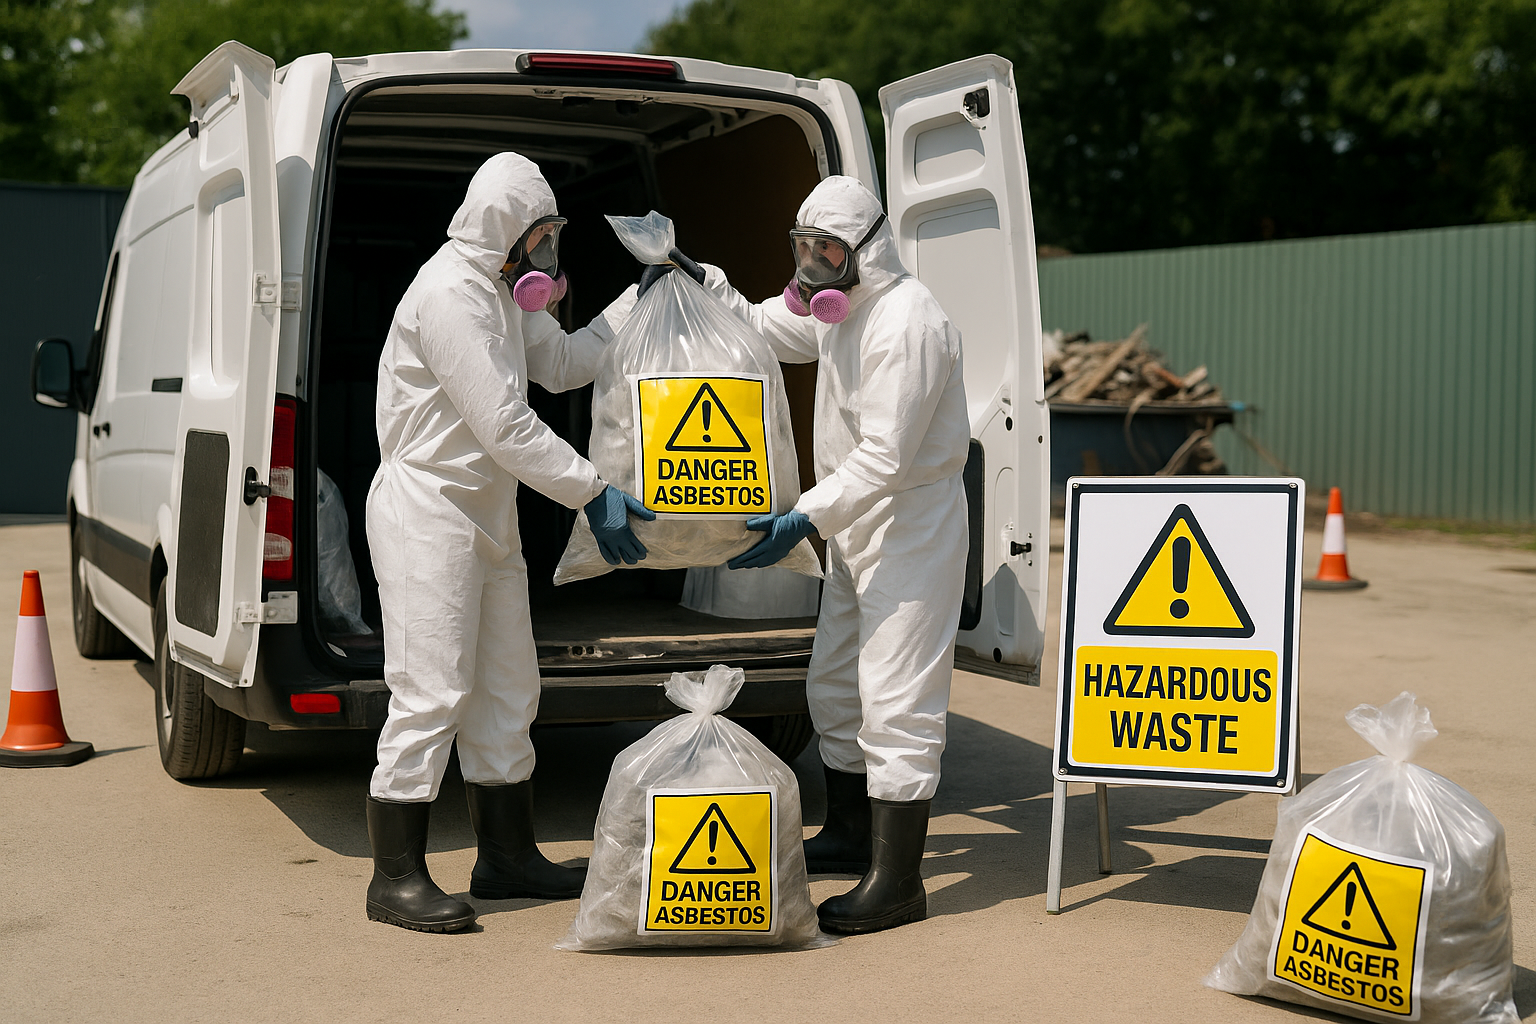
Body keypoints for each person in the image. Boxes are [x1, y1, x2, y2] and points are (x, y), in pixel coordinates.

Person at [364, 152, 653, 933]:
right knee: (430, 692)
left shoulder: (500, 284)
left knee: (507, 689)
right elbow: (504, 425)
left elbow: (561, 364)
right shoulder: (449, 294)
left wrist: (641, 298)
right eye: (543, 236)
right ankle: (394, 878)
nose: (549, 254)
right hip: (429, 513)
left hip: (488, 515)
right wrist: (593, 492)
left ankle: (506, 856)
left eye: (554, 236)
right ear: (506, 230)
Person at [706, 175, 971, 935]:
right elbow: (766, 329)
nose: (812, 267)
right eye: (804, 250)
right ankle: (851, 833)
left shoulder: (908, 320)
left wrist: (801, 517)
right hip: (856, 529)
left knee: (896, 701)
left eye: (828, 251)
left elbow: (886, 456)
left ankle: (899, 882)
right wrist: (703, 284)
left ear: (867, 249)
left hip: (908, 530)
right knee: (834, 686)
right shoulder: (844, 311)